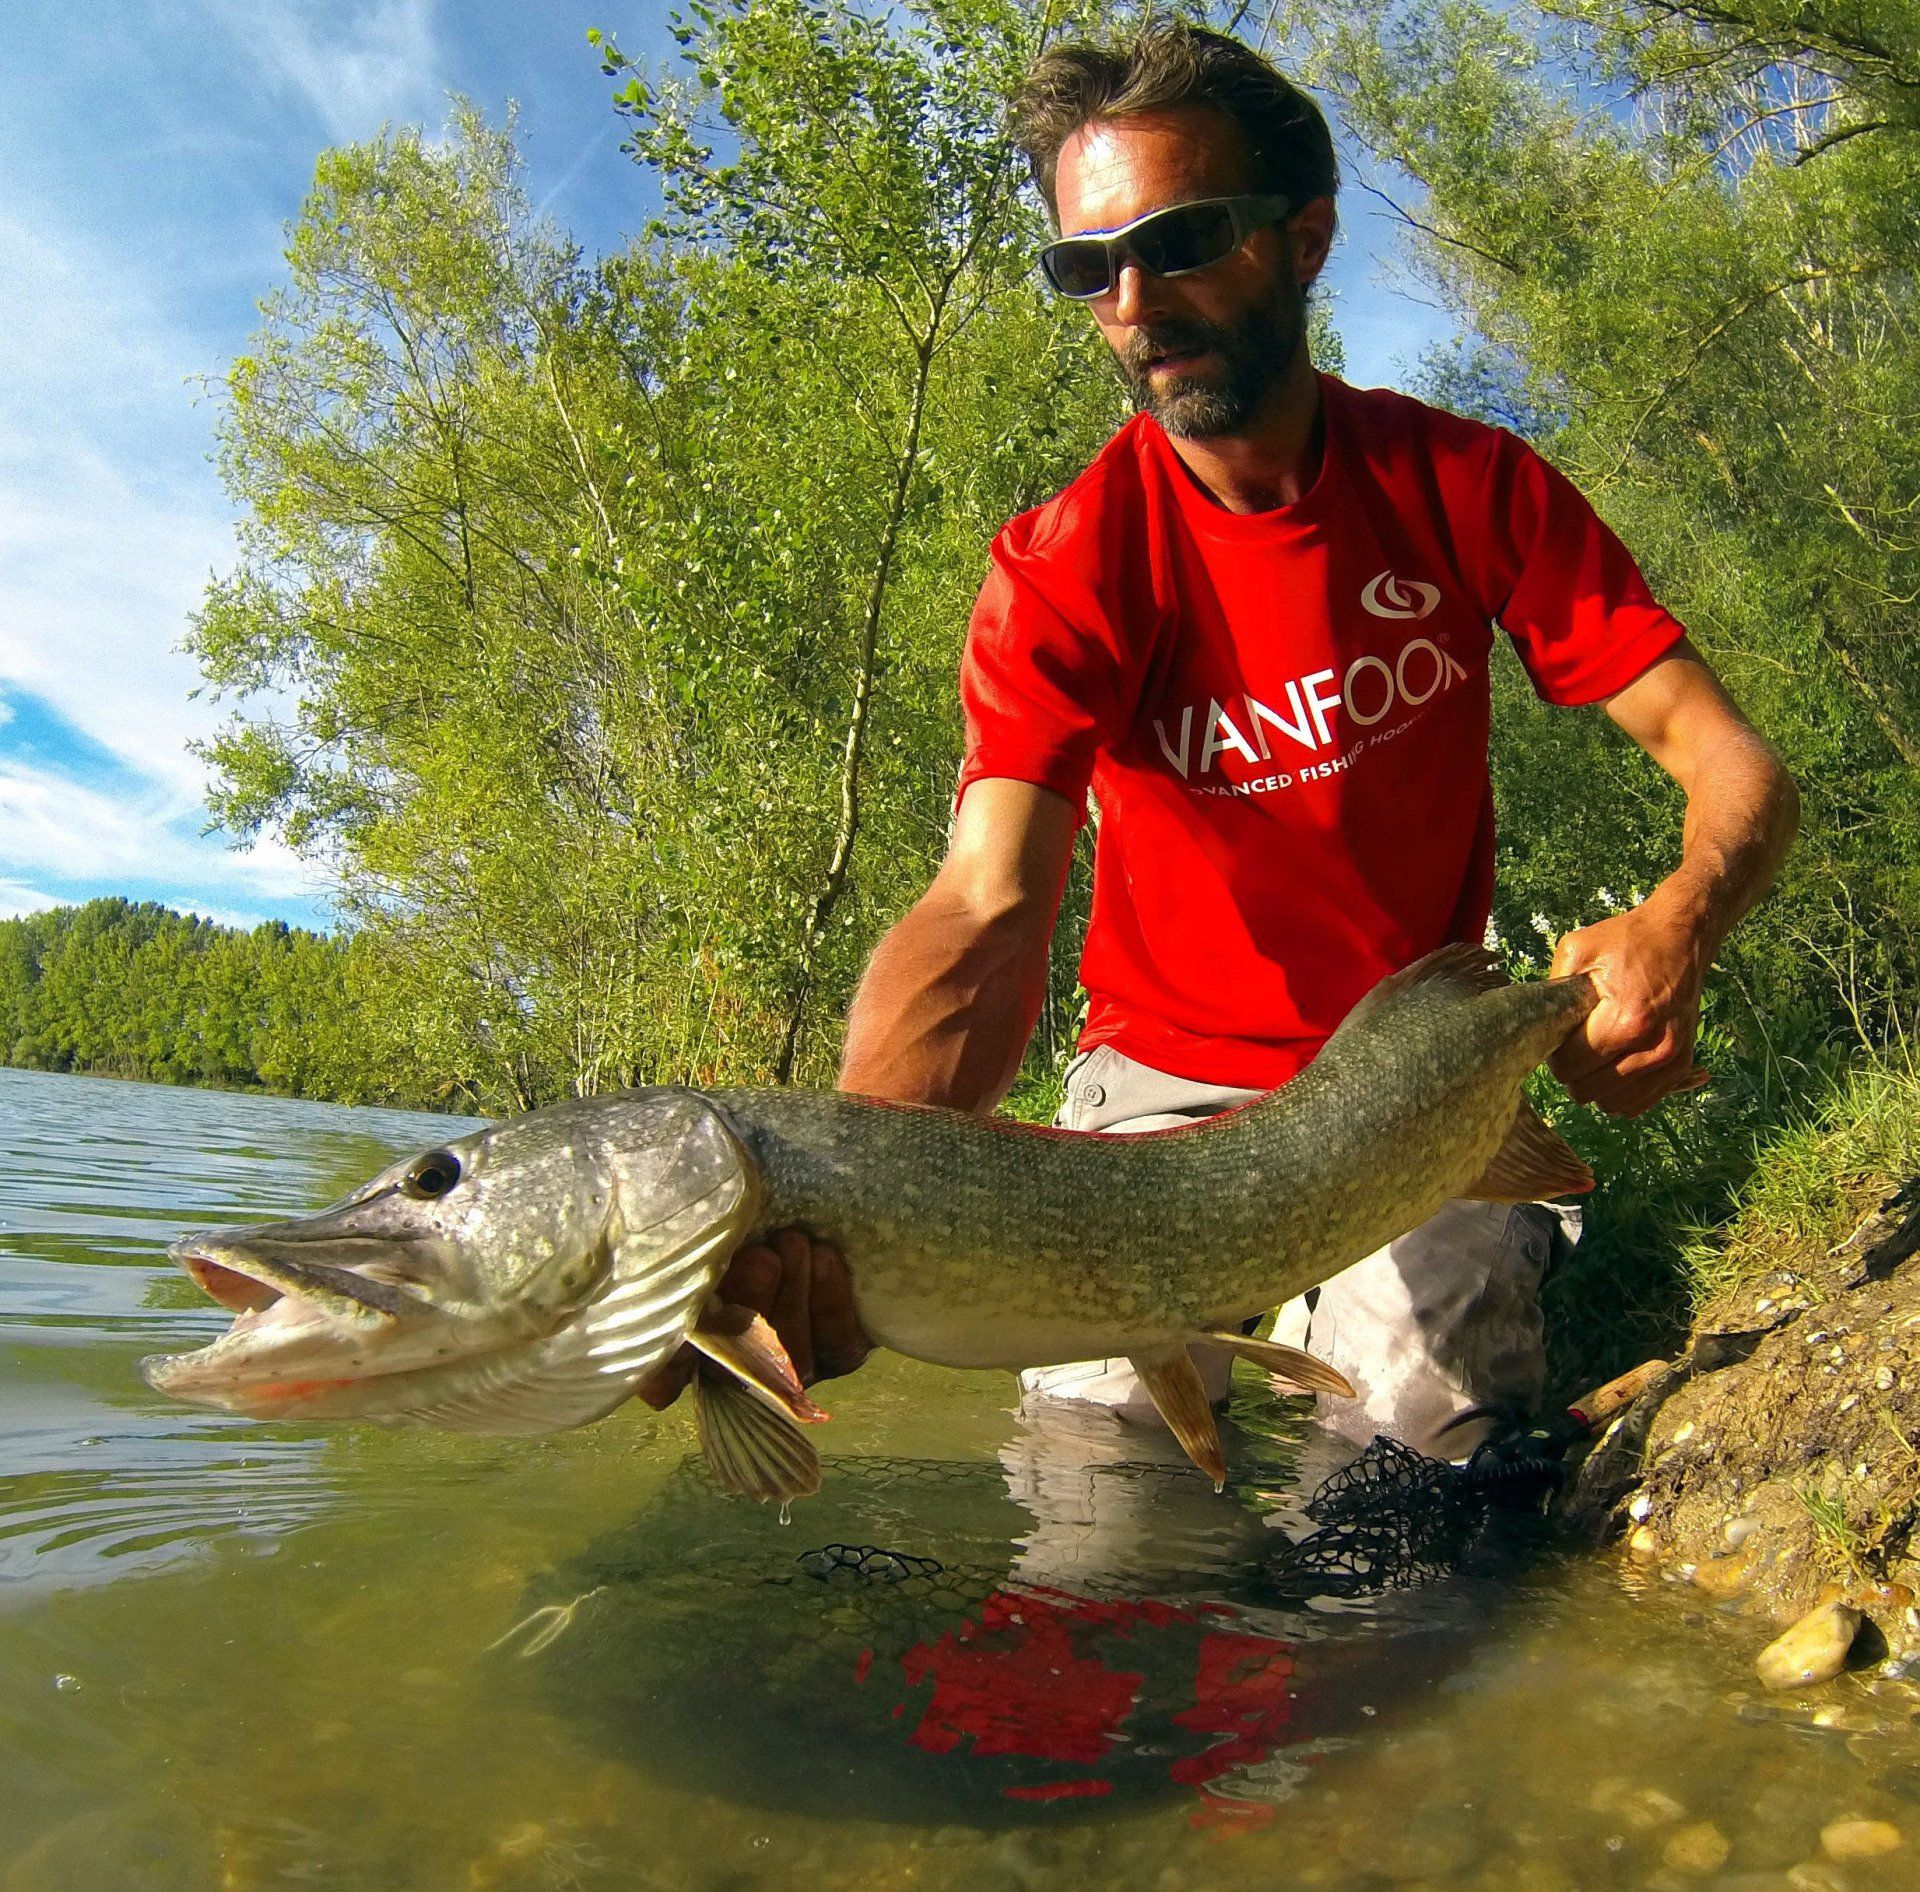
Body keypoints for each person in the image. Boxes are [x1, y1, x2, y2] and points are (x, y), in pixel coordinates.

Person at [643, 21, 1798, 1454]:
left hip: (1413, 1073)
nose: (1135, 302)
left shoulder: (1468, 485)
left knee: (1414, 1464)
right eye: (1087, 266)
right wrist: (851, 1193)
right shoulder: (1066, 565)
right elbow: (987, 902)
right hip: (1155, 1102)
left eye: (1181, 241)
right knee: (1097, 1502)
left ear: (1304, 239)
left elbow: (1729, 759)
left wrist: (1681, 915)